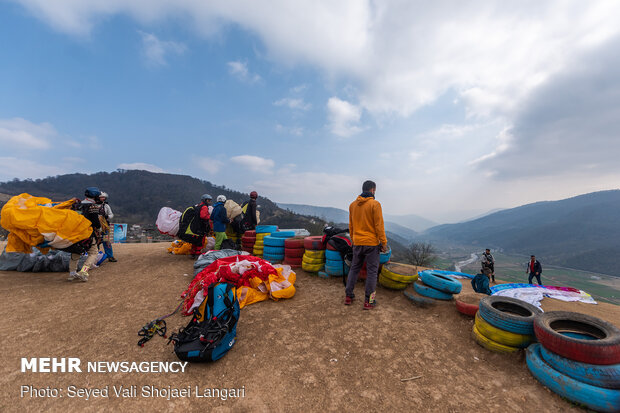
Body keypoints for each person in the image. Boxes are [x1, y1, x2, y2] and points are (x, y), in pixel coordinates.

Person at [344, 180, 388, 310]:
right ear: (373, 190)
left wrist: (353, 240)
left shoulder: (352, 205)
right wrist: (384, 242)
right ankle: (369, 301)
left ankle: (348, 296)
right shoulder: (375, 204)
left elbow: (351, 226)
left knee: (354, 268)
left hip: (357, 243)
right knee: (372, 272)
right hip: (371, 244)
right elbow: (379, 226)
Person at [68, 187, 105, 282]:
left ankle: (72, 274)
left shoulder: (76, 205)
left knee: (75, 252)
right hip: (87, 234)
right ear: (95, 196)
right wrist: (99, 228)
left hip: (75, 233)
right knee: (93, 252)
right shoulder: (93, 207)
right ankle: (83, 272)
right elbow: (96, 223)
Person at [97, 191, 117, 262]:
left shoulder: (106, 206)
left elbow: (111, 214)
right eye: (101, 197)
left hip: (105, 227)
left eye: (104, 197)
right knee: (96, 242)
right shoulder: (93, 205)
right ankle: (95, 256)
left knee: (106, 241)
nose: (103, 198)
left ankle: (110, 256)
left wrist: (107, 216)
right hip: (96, 227)